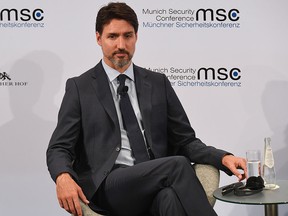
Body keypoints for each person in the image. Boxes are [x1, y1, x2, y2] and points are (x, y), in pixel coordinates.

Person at [46, 2, 247, 216]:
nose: (121, 44)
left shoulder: (158, 83)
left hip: (155, 180)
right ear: (99, 38)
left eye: (128, 36)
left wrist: (223, 157)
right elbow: (59, 147)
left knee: (169, 198)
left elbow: (185, 140)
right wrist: (62, 176)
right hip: (110, 185)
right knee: (178, 166)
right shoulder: (80, 87)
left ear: (136, 37)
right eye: (112, 36)